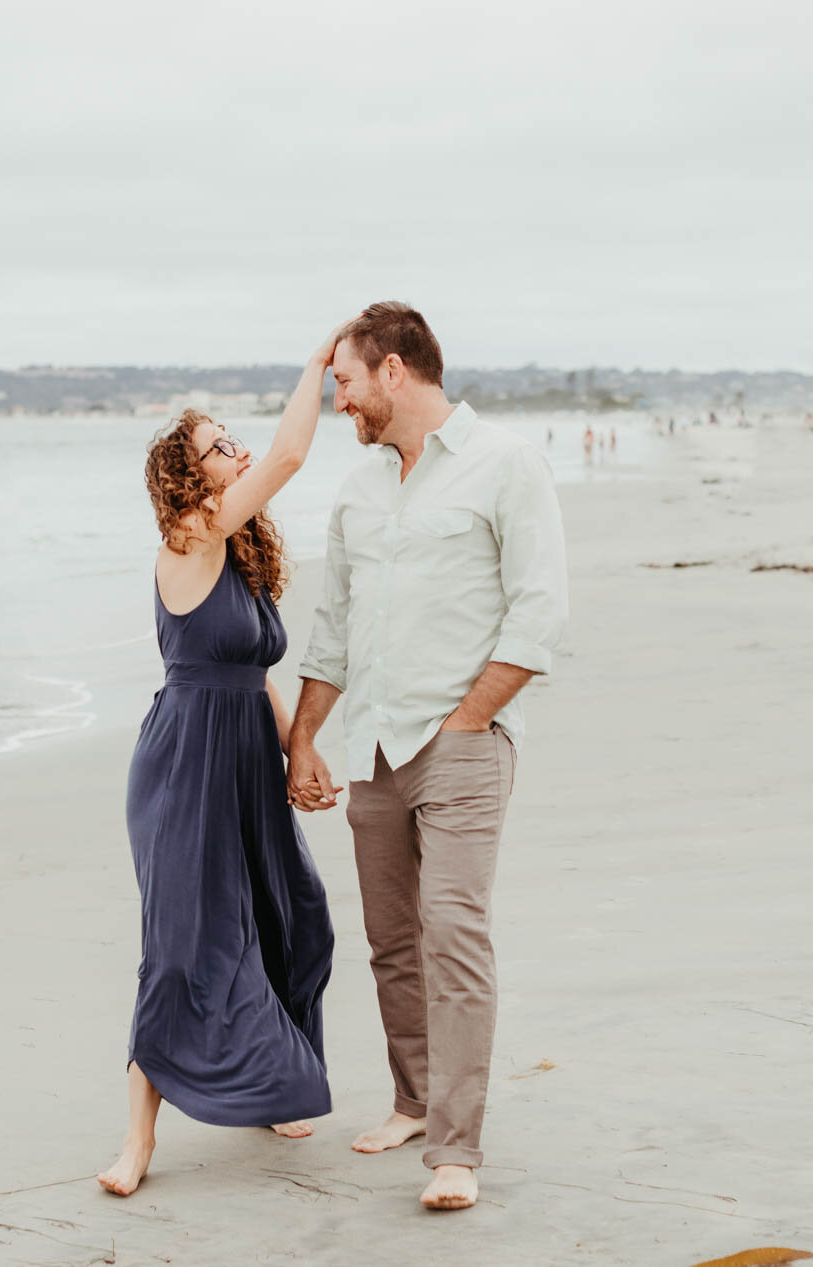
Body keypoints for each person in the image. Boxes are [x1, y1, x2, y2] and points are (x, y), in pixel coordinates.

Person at [286, 302, 569, 1212]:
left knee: (453, 933)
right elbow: (332, 630)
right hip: (371, 745)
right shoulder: (359, 490)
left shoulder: (507, 465)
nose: (342, 404)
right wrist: (303, 736)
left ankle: (456, 1149)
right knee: (392, 943)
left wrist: (467, 721)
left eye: (347, 383)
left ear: (395, 371)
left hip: (464, 744)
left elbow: (538, 615)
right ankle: (413, 1098)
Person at [97, 325, 344, 1198]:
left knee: (294, 916)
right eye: (216, 447)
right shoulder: (192, 538)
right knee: (179, 948)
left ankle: (272, 1079)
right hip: (186, 770)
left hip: (244, 760)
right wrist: (317, 367)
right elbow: (288, 455)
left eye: (229, 437)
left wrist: (297, 751)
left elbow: (254, 672)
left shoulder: (240, 554)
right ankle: (137, 1139)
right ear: (188, 478)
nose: (235, 452)